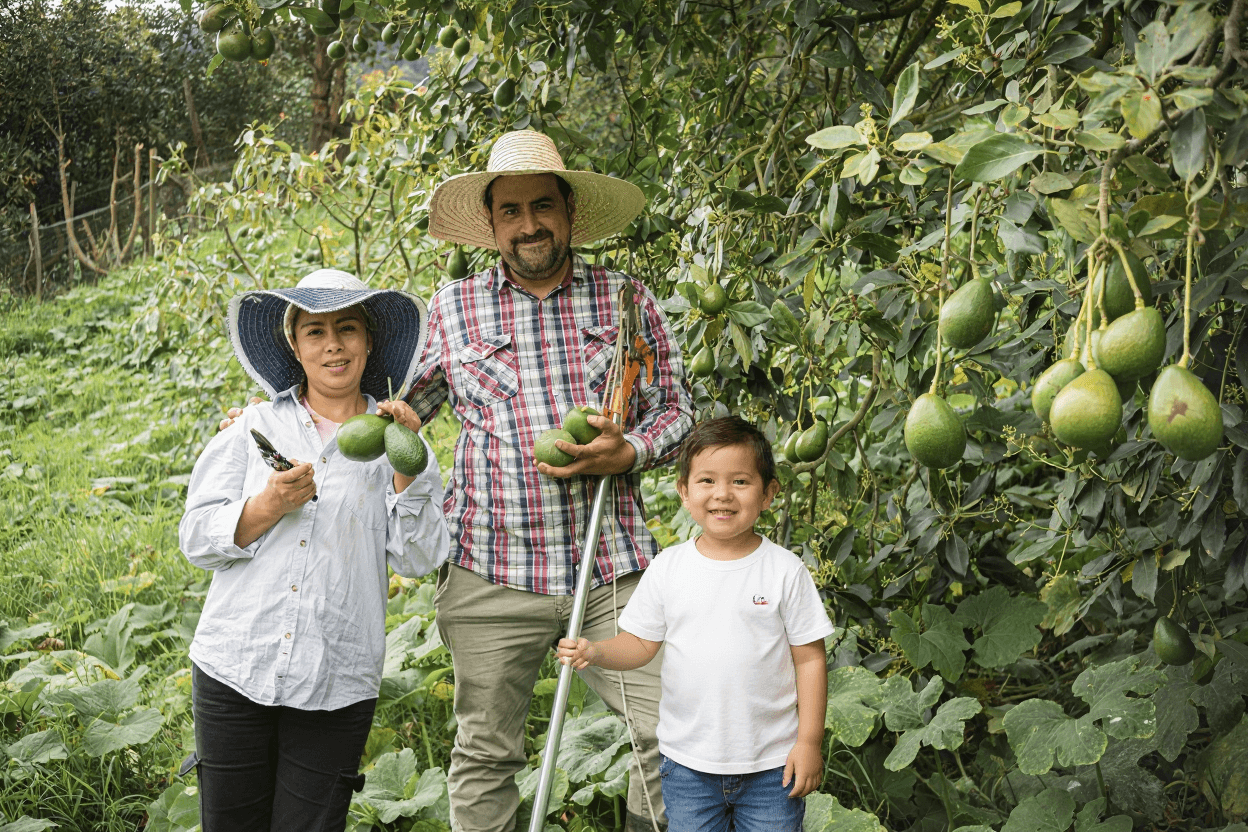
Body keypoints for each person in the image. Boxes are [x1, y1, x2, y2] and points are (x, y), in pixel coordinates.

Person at [412, 129, 695, 832]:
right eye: (511, 211)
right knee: (485, 753)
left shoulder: (626, 299)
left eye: (543, 206)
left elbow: (678, 411)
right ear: (491, 225)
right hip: (490, 570)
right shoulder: (450, 308)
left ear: (569, 213)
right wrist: (289, 410)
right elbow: (401, 411)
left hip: (610, 565)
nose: (529, 224)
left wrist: (625, 452)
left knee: (674, 731)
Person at [179, 269, 450, 832]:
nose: (333, 344)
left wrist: (408, 469)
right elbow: (196, 537)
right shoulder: (252, 426)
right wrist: (265, 507)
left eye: (347, 328)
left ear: (368, 342)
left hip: (336, 677)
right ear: (295, 347)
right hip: (237, 666)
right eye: (315, 331)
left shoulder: (398, 443)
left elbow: (419, 559)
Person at [556, 416, 833, 831]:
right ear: (684, 492)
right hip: (687, 766)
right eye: (706, 481)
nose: (722, 494)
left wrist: (809, 743)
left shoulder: (784, 571)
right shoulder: (669, 568)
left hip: (772, 766)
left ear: (769, 493)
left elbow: (810, 661)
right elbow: (640, 645)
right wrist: (595, 651)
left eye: (740, 481)